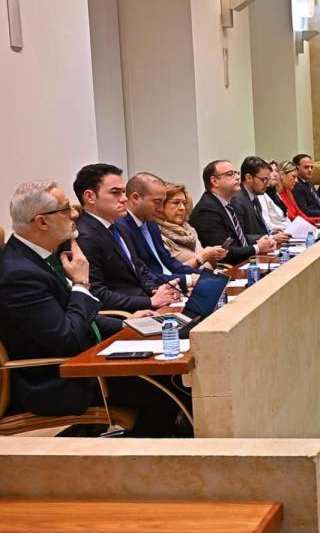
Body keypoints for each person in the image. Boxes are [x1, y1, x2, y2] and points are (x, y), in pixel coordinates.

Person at [0, 180, 180, 437]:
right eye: (65, 209)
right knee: (168, 388)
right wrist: (81, 284)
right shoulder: (19, 274)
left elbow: (76, 317)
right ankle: (137, 466)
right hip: (52, 380)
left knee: (168, 377)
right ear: (41, 222)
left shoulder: (40, 256)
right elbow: (67, 337)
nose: (75, 213)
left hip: (79, 364)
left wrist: (129, 325)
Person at [73, 164, 178, 312]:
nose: (124, 199)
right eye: (115, 193)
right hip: (125, 317)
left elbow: (141, 271)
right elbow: (96, 293)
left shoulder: (119, 227)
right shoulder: (84, 236)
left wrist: (160, 290)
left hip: (146, 307)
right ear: (90, 197)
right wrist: (149, 302)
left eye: (123, 192)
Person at [117, 173, 201, 291]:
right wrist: (187, 280)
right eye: (157, 202)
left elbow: (168, 262)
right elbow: (145, 274)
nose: (161, 209)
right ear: (135, 198)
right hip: (155, 292)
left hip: (173, 287)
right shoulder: (121, 228)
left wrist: (202, 275)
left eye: (163, 202)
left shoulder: (151, 223)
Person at [189, 160, 276, 265]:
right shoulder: (207, 210)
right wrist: (257, 248)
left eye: (236, 173)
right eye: (230, 174)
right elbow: (222, 251)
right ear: (214, 181)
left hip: (242, 263)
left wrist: (262, 240)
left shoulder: (227, 204)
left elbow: (238, 238)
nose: (237, 177)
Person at [156, 183, 227, 270]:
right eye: (176, 203)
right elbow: (172, 273)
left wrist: (213, 256)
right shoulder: (158, 235)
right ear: (161, 206)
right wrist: (202, 258)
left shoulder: (189, 229)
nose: (182, 208)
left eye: (184, 203)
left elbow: (205, 265)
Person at [230, 156, 289, 247]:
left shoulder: (255, 195)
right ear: (249, 178)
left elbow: (259, 229)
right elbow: (240, 237)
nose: (267, 183)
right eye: (264, 180)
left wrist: (271, 231)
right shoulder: (237, 200)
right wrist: (271, 238)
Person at [278, 160, 320, 225]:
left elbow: (300, 214)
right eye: (293, 176)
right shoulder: (277, 195)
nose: (296, 181)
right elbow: (292, 218)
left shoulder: (288, 191)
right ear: (282, 175)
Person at [290, 153, 320, 219]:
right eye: (306, 167)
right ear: (296, 168)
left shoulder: (308, 182)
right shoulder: (296, 185)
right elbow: (305, 211)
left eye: (311, 167)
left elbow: (317, 204)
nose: (310, 170)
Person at [258, 161, 290, 232]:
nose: (275, 174)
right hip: (278, 234)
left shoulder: (275, 193)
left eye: (276, 171)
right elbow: (267, 224)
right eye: (271, 171)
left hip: (288, 230)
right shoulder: (261, 195)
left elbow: (285, 218)